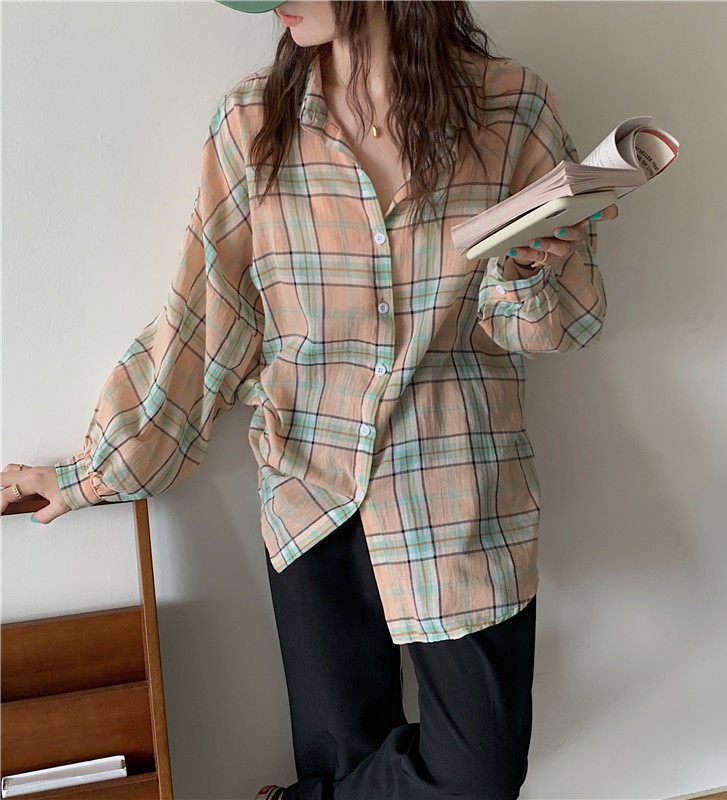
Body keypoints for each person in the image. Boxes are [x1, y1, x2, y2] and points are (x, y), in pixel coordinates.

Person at [1, 1, 618, 798]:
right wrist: (92, 473)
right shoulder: (254, 123)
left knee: (481, 773)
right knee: (343, 763)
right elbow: (207, 321)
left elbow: (562, 325)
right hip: (310, 488)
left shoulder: (512, 107)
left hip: (459, 488)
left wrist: (530, 272)